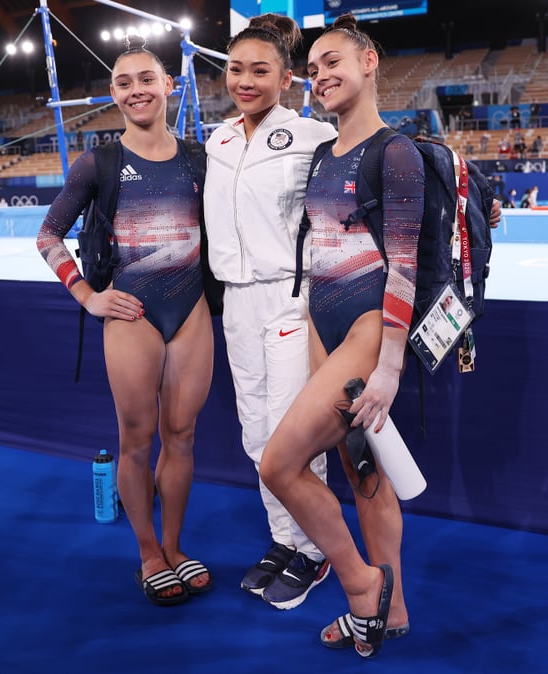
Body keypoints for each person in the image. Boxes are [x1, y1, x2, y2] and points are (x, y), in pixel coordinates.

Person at [259, 13, 423, 658]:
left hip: (367, 326)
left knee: (279, 464)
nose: (322, 75)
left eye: (334, 62)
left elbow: (404, 266)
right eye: (315, 68)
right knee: (362, 473)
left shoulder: (396, 151)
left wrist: (389, 367)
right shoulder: (325, 154)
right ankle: (396, 611)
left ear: (369, 61)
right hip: (325, 323)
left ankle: (362, 587)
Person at [36, 35, 214, 606]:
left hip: (190, 310)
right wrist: (87, 295)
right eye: (123, 82)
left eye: (146, 79)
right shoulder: (100, 162)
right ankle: (146, 550)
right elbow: (47, 235)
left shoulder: (199, 159)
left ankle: (175, 544)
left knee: (181, 437)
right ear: (114, 95)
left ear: (170, 86)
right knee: (136, 441)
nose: (136, 90)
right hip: (131, 312)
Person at [204, 13, 337, 610]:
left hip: (290, 296)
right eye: (236, 69)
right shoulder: (219, 139)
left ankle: (315, 551)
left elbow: (376, 175)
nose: (246, 80)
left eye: (261, 70)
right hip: (235, 300)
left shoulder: (313, 137)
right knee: (256, 432)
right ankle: (286, 539)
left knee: (293, 433)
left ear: (287, 78)